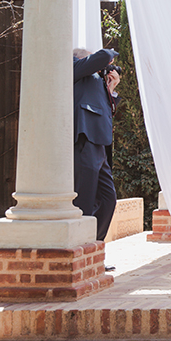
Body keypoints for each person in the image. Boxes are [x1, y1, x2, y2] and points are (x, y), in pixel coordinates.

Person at [73, 47, 121, 265]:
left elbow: (106, 110)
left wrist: (111, 88)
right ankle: (81, 257)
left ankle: (94, 250)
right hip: (85, 141)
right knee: (85, 201)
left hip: (100, 145)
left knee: (108, 200)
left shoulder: (97, 82)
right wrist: (110, 56)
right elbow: (102, 56)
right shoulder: (74, 68)